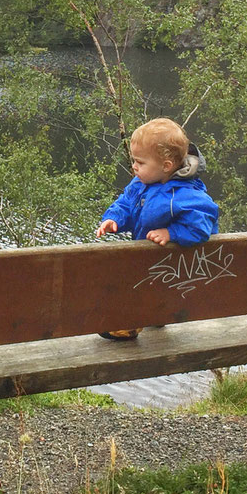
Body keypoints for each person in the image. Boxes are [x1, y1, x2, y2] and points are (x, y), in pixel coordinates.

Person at [95, 118, 220, 340]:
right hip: (153, 262)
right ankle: (153, 315)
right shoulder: (142, 182)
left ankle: (130, 326)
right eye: (134, 160)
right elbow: (126, 202)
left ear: (166, 166)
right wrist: (114, 219)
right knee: (138, 281)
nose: (134, 166)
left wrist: (172, 233)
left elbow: (202, 226)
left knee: (134, 284)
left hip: (171, 268)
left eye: (140, 162)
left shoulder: (183, 194)